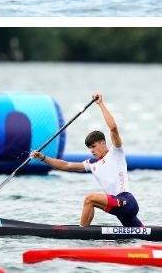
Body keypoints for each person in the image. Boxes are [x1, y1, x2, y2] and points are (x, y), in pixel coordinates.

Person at [31, 93, 142, 227]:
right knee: (143, 234)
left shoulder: (116, 152)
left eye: (94, 146)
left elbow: (113, 128)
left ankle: (81, 232)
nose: (92, 150)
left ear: (103, 143)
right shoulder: (92, 164)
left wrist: (100, 104)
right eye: (90, 148)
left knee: (90, 199)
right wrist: (42, 157)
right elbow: (66, 165)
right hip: (118, 209)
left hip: (126, 202)